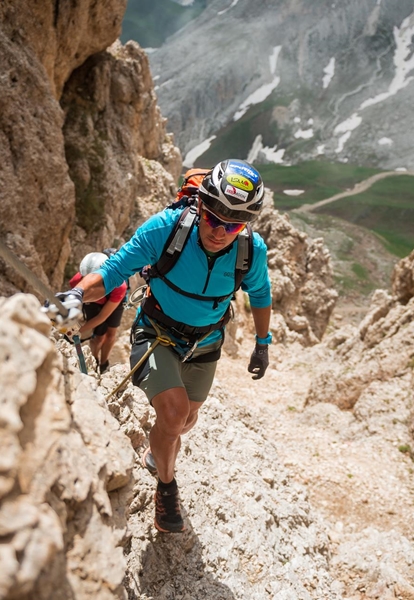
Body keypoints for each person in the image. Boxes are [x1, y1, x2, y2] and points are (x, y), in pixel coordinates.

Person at [54, 159, 272, 533]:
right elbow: (113, 271)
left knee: (185, 420)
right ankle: (166, 489)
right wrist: (75, 294)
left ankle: (161, 449)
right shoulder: (166, 229)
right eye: (213, 217)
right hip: (155, 334)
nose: (220, 230)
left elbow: (261, 294)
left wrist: (263, 343)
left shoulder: (250, 250)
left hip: (206, 343)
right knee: (173, 415)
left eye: (233, 224)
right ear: (200, 204)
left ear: (246, 223)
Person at [69, 252, 128, 374]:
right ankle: (94, 360)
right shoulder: (76, 282)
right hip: (94, 301)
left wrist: (77, 331)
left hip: (115, 300)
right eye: (86, 278)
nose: (91, 282)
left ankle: (104, 363)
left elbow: (103, 316)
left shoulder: (119, 286)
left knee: (111, 334)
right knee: (98, 336)